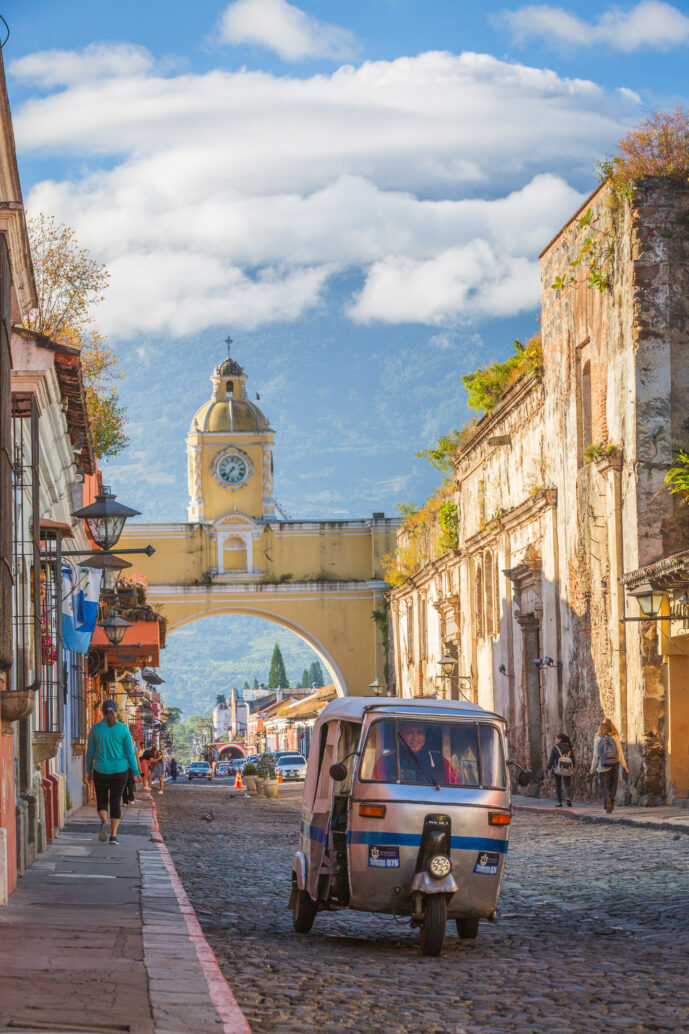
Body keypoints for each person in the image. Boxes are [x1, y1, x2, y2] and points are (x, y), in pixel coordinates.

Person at [86, 699, 140, 845]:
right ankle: (114, 836)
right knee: (116, 801)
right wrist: (136, 772)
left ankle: (104, 821)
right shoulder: (123, 729)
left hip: (100, 770)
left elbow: (90, 753)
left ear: (102, 712)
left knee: (102, 800)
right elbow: (130, 753)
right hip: (120, 770)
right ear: (116, 711)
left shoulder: (95, 728)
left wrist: (88, 771)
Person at [372, 721, 461, 784]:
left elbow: (455, 790)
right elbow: (378, 791)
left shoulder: (441, 762)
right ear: (400, 735)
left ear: (425, 735)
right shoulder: (386, 761)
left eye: (420, 733)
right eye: (410, 732)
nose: (415, 738)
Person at [590, 718, 628, 813]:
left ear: (601, 727)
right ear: (612, 726)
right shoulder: (615, 737)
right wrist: (625, 766)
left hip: (603, 766)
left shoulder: (598, 739)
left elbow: (596, 755)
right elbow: (620, 753)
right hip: (614, 765)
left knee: (605, 786)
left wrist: (592, 769)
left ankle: (607, 799)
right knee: (613, 785)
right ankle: (611, 801)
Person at [547, 733, 575, 807]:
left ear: (560, 740)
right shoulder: (569, 747)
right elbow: (572, 758)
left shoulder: (555, 747)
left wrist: (549, 767)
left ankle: (559, 802)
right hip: (567, 768)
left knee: (558, 785)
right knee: (567, 784)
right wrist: (573, 767)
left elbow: (551, 759)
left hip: (558, 768)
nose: (556, 740)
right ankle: (568, 797)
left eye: (557, 739)